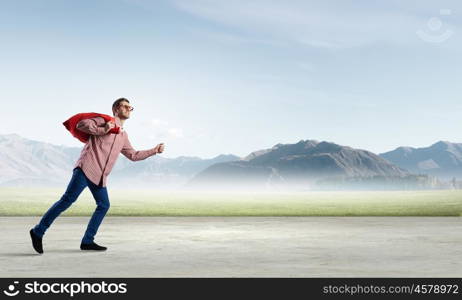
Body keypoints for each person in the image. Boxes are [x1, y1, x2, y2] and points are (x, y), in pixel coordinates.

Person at [29, 98, 165, 253]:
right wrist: (105, 128)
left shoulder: (123, 136)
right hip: (86, 167)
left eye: (130, 107)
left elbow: (133, 155)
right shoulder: (103, 120)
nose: (128, 109)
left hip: (100, 176)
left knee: (104, 205)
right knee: (67, 200)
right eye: (125, 106)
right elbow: (82, 124)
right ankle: (38, 231)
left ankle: (87, 241)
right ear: (115, 108)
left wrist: (154, 150)